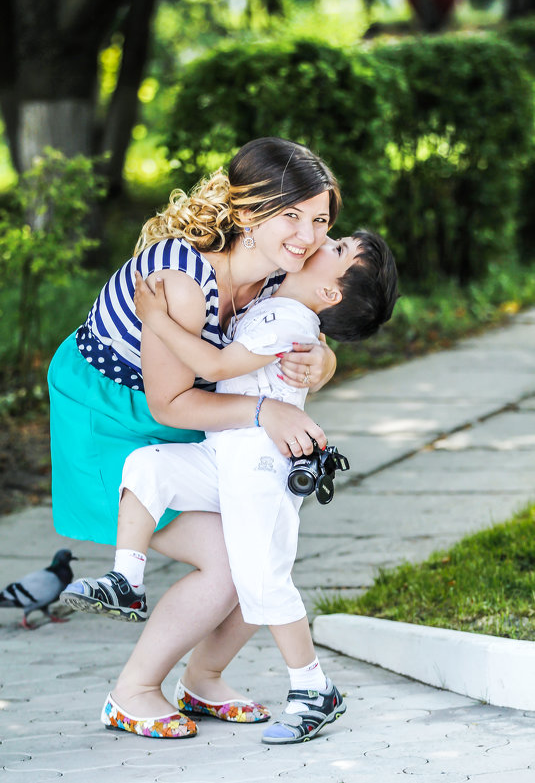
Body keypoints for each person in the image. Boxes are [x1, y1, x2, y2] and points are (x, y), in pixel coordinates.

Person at [48, 137, 342, 739]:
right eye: (290, 214)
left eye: (320, 219)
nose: (308, 235)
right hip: (107, 416)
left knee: (255, 548)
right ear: (244, 213)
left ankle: (203, 683)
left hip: (189, 421)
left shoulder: (270, 281)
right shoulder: (180, 280)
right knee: (229, 563)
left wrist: (324, 361)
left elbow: (298, 329)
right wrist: (263, 412)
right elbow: (170, 400)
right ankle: (132, 693)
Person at [62, 229, 399, 743]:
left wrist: (157, 320)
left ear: (331, 292)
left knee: (260, 576)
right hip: (219, 450)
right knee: (149, 467)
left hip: (257, 468)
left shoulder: (288, 315)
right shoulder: (275, 295)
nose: (319, 237)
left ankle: (311, 688)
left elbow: (217, 365)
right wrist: (321, 359)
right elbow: (309, 340)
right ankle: (126, 582)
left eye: (333, 243)